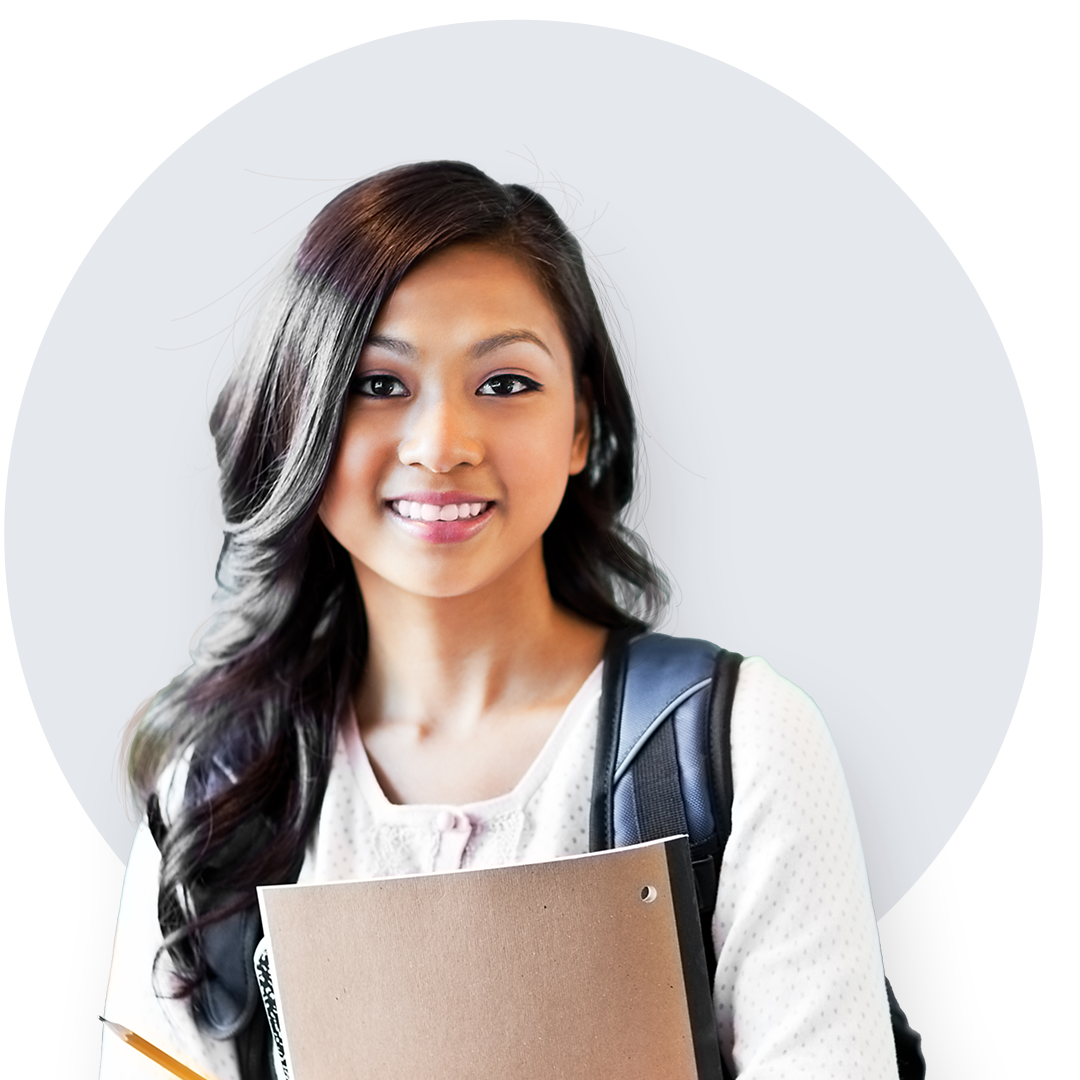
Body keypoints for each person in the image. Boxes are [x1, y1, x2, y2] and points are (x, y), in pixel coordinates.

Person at [101, 159, 899, 1079]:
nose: (443, 445)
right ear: (297, 417)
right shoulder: (218, 791)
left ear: (580, 425)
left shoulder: (748, 742)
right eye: (378, 383)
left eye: (507, 383)